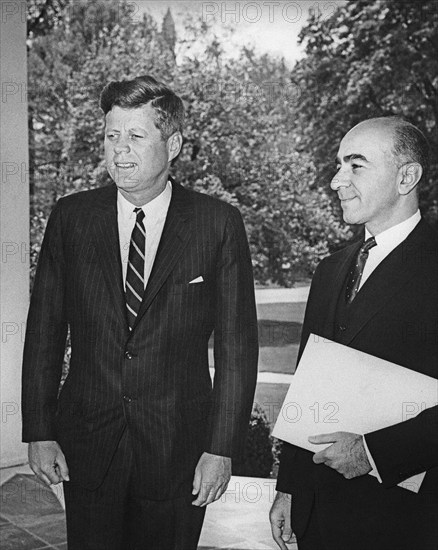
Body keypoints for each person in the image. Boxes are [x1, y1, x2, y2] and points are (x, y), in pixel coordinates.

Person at [22, 75, 258, 550]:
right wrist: (39, 430)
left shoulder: (217, 224)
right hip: (88, 445)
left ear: (172, 145)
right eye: (111, 136)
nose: (119, 150)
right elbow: (44, 333)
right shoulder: (71, 218)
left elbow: (237, 348)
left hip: (179, 450)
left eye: (135, 136)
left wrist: (221, 448)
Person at [269, 117, 438, 550]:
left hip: (404, 522)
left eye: (355, 165)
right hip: (317, 519)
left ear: (407, 177)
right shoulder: (330, 270)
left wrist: (374, 453)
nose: (335, 181)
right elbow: (306, 385)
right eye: (338, 165)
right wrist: (289, 486)